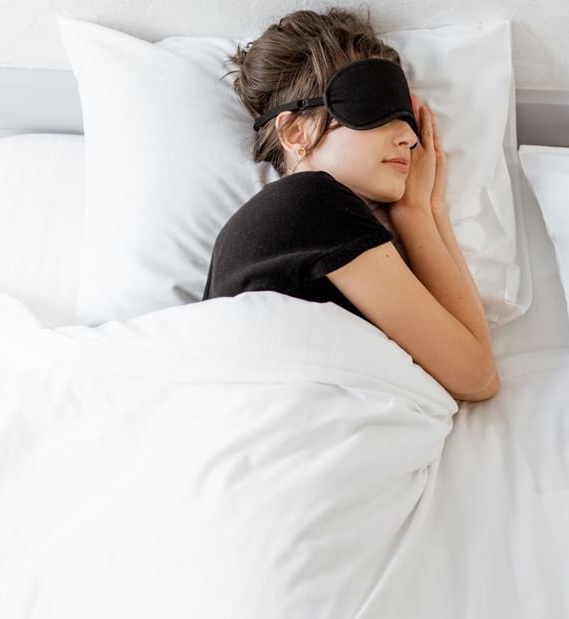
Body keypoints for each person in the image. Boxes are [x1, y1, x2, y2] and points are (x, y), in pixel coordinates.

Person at [202, 8, 499, 402]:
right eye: (375, 108)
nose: (409, 138)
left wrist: (429, 207)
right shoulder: (311, 201)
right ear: (296, 132)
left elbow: (475, 368)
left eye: (408, 119)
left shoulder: (285, 220)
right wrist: (416, 213)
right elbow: (475, 376)